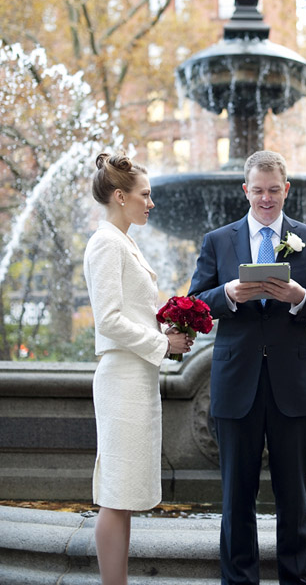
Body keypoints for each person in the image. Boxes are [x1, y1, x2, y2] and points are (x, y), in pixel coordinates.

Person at [188, 150, 306, 585]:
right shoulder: (218, 240)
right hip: (236, 384)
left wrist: (298, 297)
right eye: (258, 190)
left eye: (274, 190)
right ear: (245, 191)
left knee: (295, 498)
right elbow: (194, 304)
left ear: (286, 189)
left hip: (292, 385)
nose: (266, 198)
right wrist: (229, 293)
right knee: (237, 499)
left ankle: (297, 580)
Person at [84, 152, 192, 585]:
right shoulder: (106, 242)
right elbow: (107, 319)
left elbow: (130, 311)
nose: (151, 203)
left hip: (135, 377)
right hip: (122, 379)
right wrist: (162, 343)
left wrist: (168, 327)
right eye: (145, 196)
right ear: (119, 196)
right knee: (116, 492)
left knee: (123, 491)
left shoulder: (121, 240)